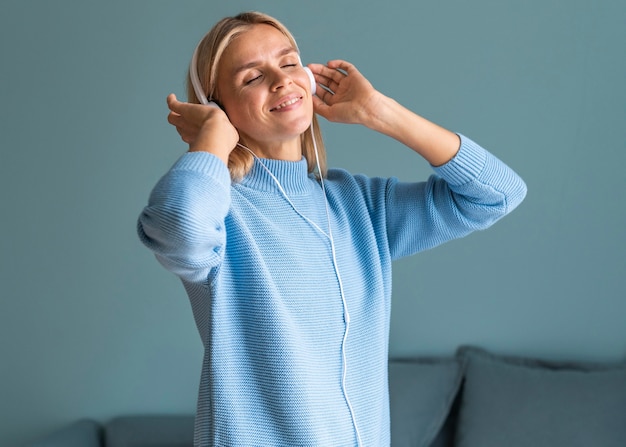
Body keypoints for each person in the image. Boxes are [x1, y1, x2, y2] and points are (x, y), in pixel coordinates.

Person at [137, 11, 527, 447]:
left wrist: (380, 111)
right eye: (252, 77)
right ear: (218, 107)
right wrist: (211, 139)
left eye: (288, 63)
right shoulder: (222, 210)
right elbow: (179, 225)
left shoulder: (359, 206)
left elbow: (498, 193)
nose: (281, 80)